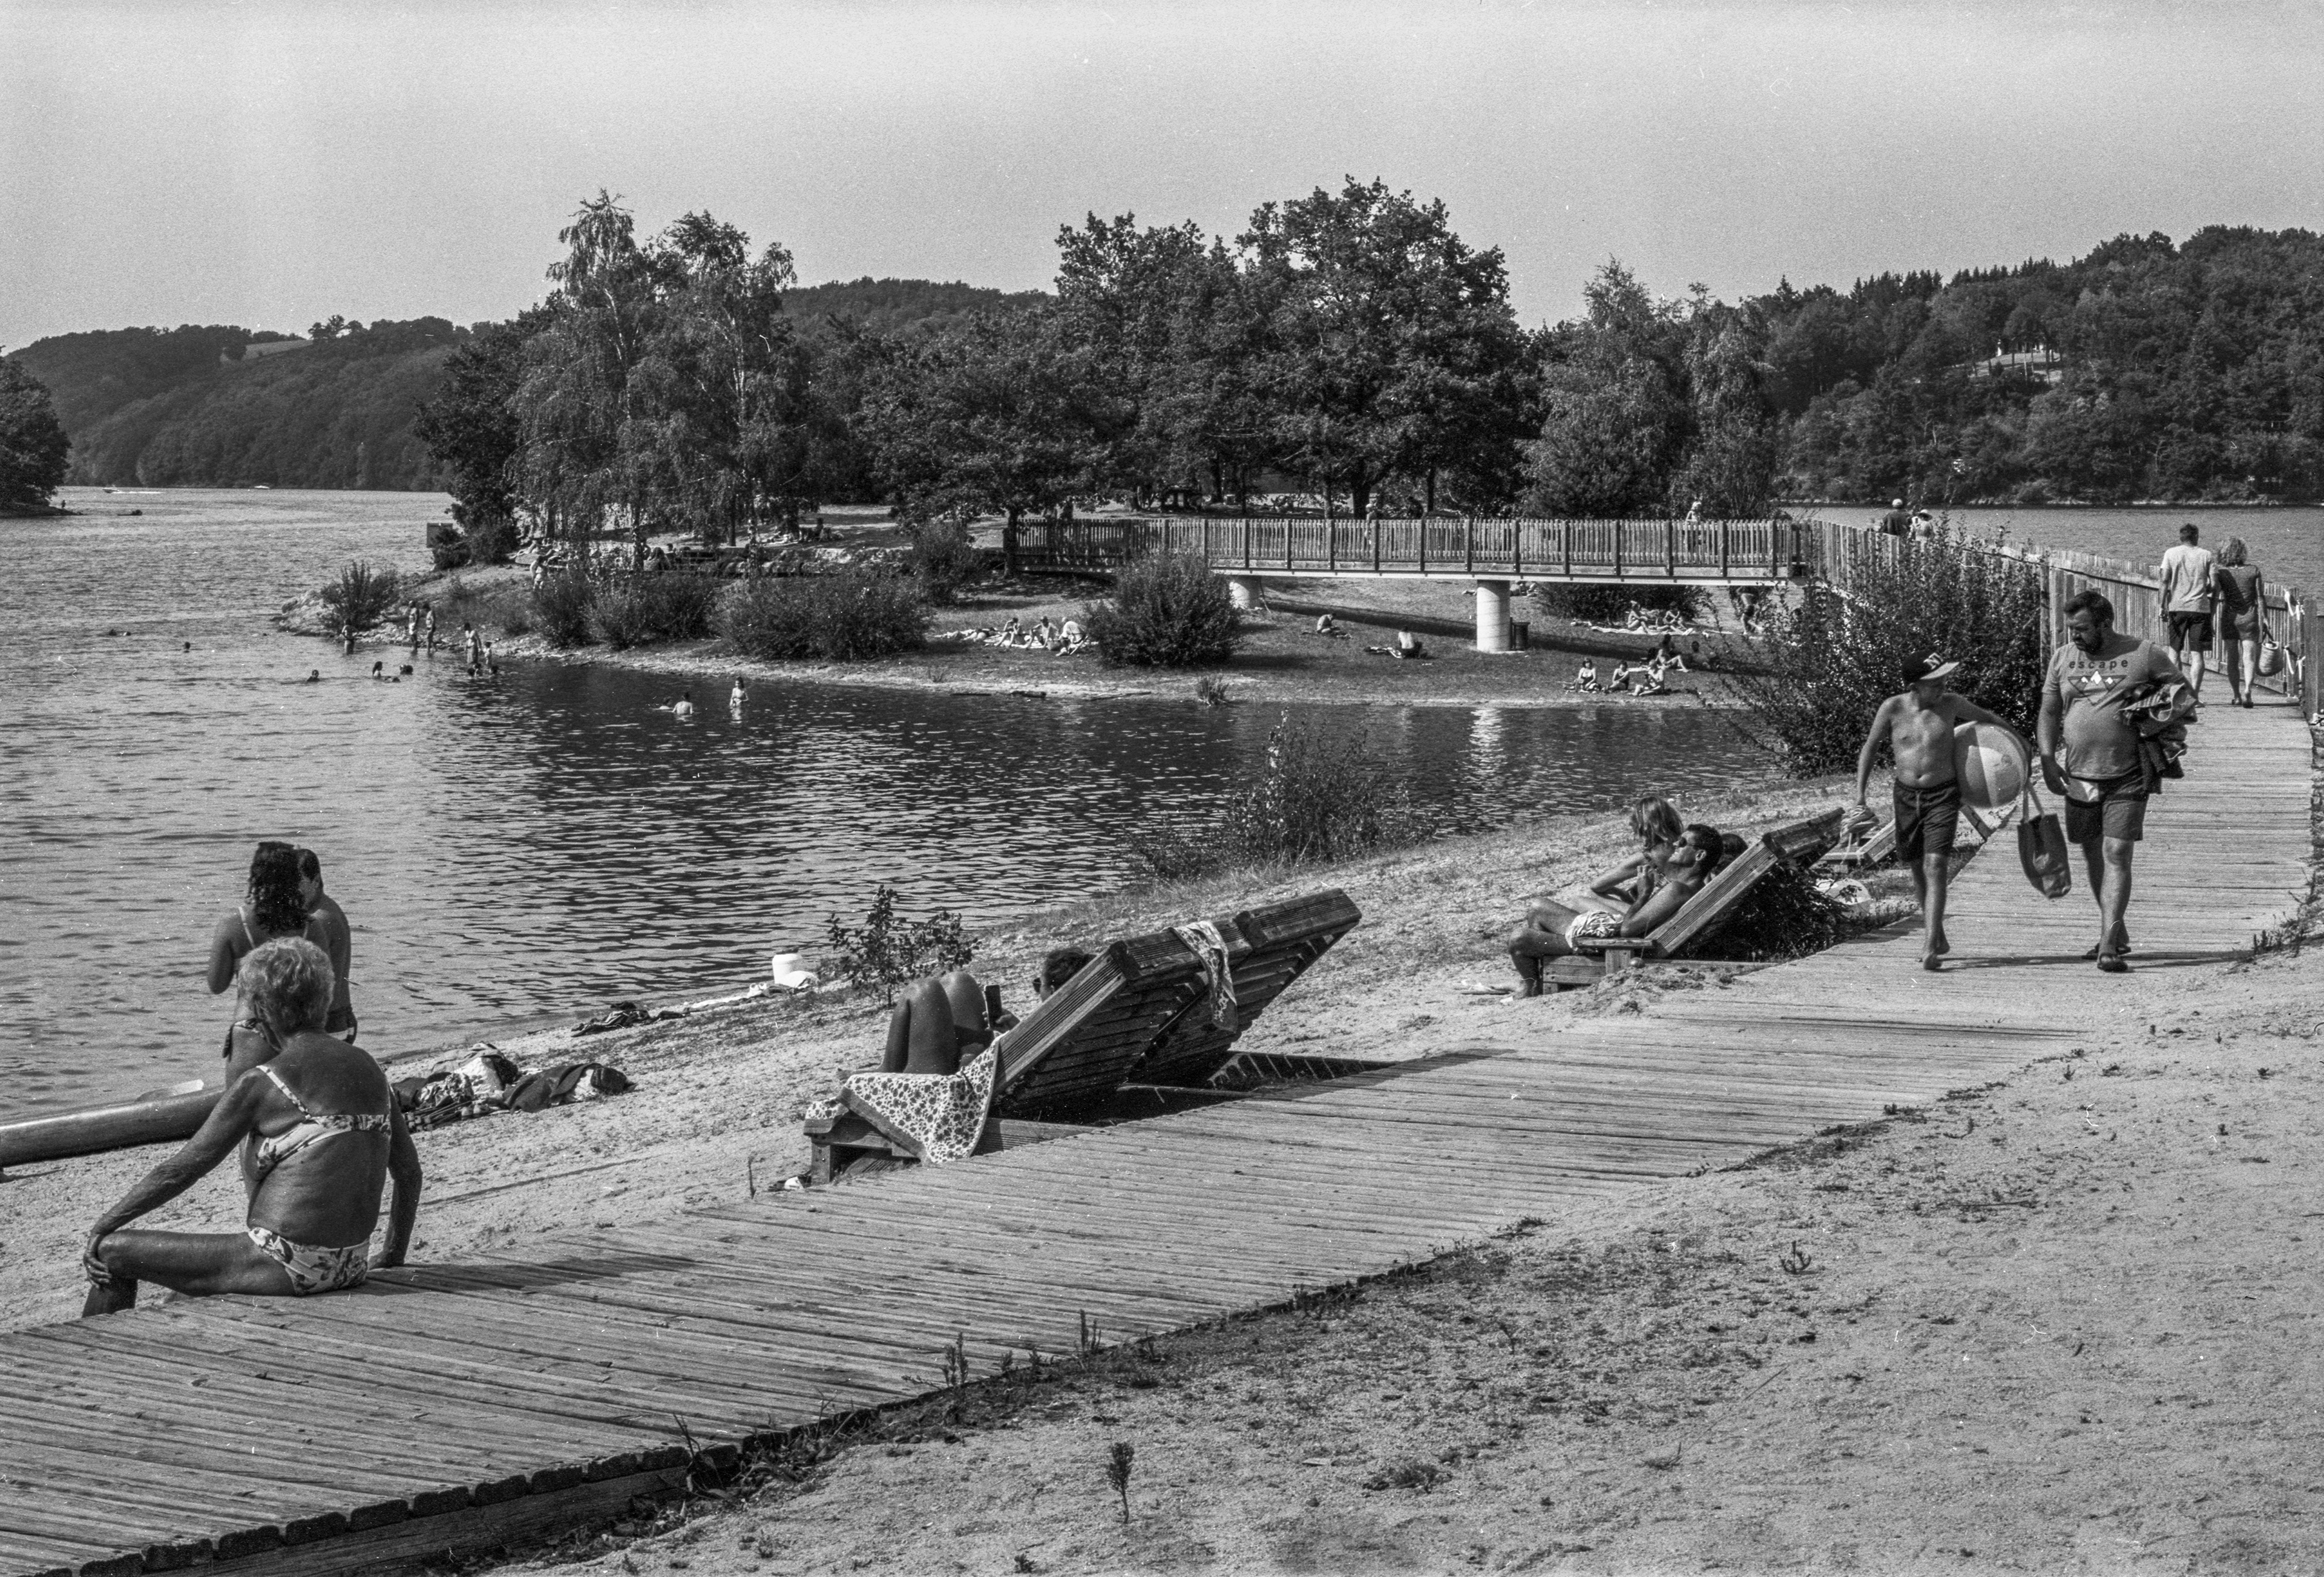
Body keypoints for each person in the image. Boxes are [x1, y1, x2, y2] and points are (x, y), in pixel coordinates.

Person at [82, 938, 420, 1314]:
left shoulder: (263, 1082)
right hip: (350, 1264)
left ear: (261, 1009)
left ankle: (84, 1362)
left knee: (112, 1251)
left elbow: (180, 1170)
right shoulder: (370, 1069)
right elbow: (408, 1172)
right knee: (178, 1293)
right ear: (324, 1000)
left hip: (284, 1263)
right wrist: (392, 1255)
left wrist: (104, 1225)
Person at [1851, 653, 2029, 971]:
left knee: (1936, 865)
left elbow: (1988, 717)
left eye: (1944, 680)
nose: (1943, 686)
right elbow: (1870, 747)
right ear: (1915, 686)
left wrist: (2019, 742)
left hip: (1943, 795)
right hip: (1906, 796)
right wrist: (1860, 797)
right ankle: (1938, 932)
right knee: (1917, 866)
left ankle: (1930, 942)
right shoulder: (1892, 708)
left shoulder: (1951, 704)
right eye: (1935, 682)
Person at [2039, 589, 2182, 972]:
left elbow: (2181, 694)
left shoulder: (2144, 653)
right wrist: (2048, 757)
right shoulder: (2063, 658)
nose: (2075, 637)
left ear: (2106, 624)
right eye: (2071, 629)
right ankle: (2115, 932)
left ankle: (2107, 946)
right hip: (2079, 774)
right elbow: (2050, 711)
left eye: (2082, 629)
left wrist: (2154, 717)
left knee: (2117, 853)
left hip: (2129, 772)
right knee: (2091, 851)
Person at [1503, 797, 1710, 995]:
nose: (1675, 845)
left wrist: (1644, 894)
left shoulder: (1677, 888)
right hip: (1631, 934)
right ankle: (1541, 978)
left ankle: (1534, 984)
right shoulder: (1693, 885)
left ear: (1699, 855)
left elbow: (1628, 929)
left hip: (1620, 944)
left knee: (1521, 937)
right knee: (1538, 906)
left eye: (1682, 843)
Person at [295, 848, 356, 1041]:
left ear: (316, 881)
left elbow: (309, 985)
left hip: (329, 1025)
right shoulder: (328, 907)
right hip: (341, 1019)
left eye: (298, 883)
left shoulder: (319, 920)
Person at [2157, 523, 2219, 704]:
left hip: (2177, 607)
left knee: (2174, 652)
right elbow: (2214, 586)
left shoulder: (2171, 553)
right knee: (2197, 655)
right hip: (2200, 609)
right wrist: (2202, 588)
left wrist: (2162, 605)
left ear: (2181, 537)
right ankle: (2194, 697)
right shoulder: (2206, 555)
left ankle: (2177, 694)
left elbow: (2164, 581)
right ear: (2197, 536)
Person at [2214, 537, 2265, 709]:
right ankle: (2248, 690)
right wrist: (2264, 618)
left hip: (2229, 617)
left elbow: (2215, 595)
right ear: (2243, 552)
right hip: (2250, 617)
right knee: (2249, 658)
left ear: (2225, 552)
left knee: (2232, 659)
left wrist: (2211, 615)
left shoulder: (2222, 572)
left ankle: (2236, 695)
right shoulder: (2253, 570)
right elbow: (2260, 597)